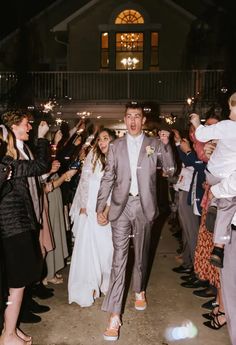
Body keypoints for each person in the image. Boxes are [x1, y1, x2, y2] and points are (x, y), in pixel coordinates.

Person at [96, 101, 175, 341]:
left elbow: (170, 170)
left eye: (136, 116)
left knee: (140, 255)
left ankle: (139, 289)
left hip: (144, 206)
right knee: (119, 260)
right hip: (120, 208)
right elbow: (108, 178)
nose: (132, 121)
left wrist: (166, 145)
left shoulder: (153, 145)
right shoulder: (116, 146)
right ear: (125, 118)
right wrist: (101, 207)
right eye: (128, 116)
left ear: (143, 120)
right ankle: (114, 316)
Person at [0, 122, 50, 345]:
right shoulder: (7, 165)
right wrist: (42, 138)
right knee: (16, 284)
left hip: (17, 228)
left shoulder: (10, 165)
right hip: (12, 229)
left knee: (15, 284)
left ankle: (11, 328)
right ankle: (8, 334)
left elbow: (38, 167)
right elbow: (41, 165)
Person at [68, 128, 116, 307]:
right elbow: (84, 182)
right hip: (90, 208)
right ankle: (90, 285)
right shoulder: (93, 158)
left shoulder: (118, 159)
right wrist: (82, 206)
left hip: (109, 209)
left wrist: (107, 211)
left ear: (112, 140)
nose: (102, 142)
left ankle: (105, 281)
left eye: (106, 138)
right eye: (99, 139)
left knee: (107, 248)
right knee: (89, 249)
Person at [190, 92, 236, 268]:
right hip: (228, 178)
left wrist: (196, 122)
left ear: (231, 106)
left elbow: (201, 135)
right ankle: (219, 246)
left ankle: (214, 204)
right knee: (228, 205)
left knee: (223, 200)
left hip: (213, 173)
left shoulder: (226, 126)